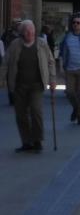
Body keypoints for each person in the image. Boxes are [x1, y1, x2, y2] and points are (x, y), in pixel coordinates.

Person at [0, 20, 56, 153]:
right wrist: (1, 79)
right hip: (19, 85)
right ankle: (26, 141)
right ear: (22, 33)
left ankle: (37, 140)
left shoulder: (41, 44)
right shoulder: (15, 45)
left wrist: (52, 79)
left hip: (37, 85)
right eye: (27, 32)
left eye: (32, 31)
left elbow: (50, 61)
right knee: (21, 115)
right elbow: (5, 64)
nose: (30, 34)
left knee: (36, 111)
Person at [59, 15, 80, 125]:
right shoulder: (67, 37)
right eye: (74, 22)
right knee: (69, 92)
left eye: (78, 23)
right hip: (70, 68)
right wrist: (61, 66)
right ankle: (76, 108)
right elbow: (62, 52)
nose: (75, 24)